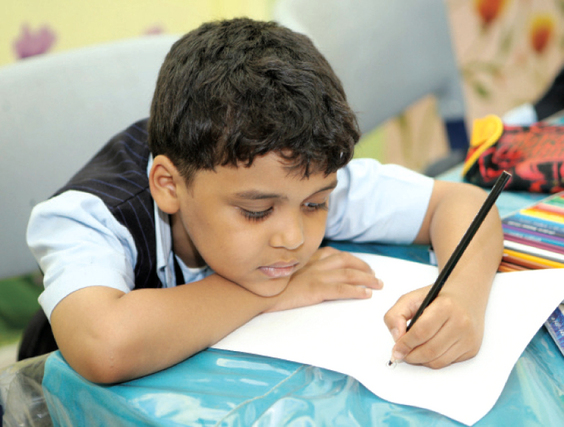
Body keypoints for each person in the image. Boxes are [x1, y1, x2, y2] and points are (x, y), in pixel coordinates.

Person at [25, 18, 503, 384]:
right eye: (255, 212)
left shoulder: (296, 168)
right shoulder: (92, 215)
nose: (293, 237)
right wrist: (275, 291)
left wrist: (461, 295)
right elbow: (105, 347)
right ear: (168, 186)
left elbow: (461, 204)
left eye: (316, 206)